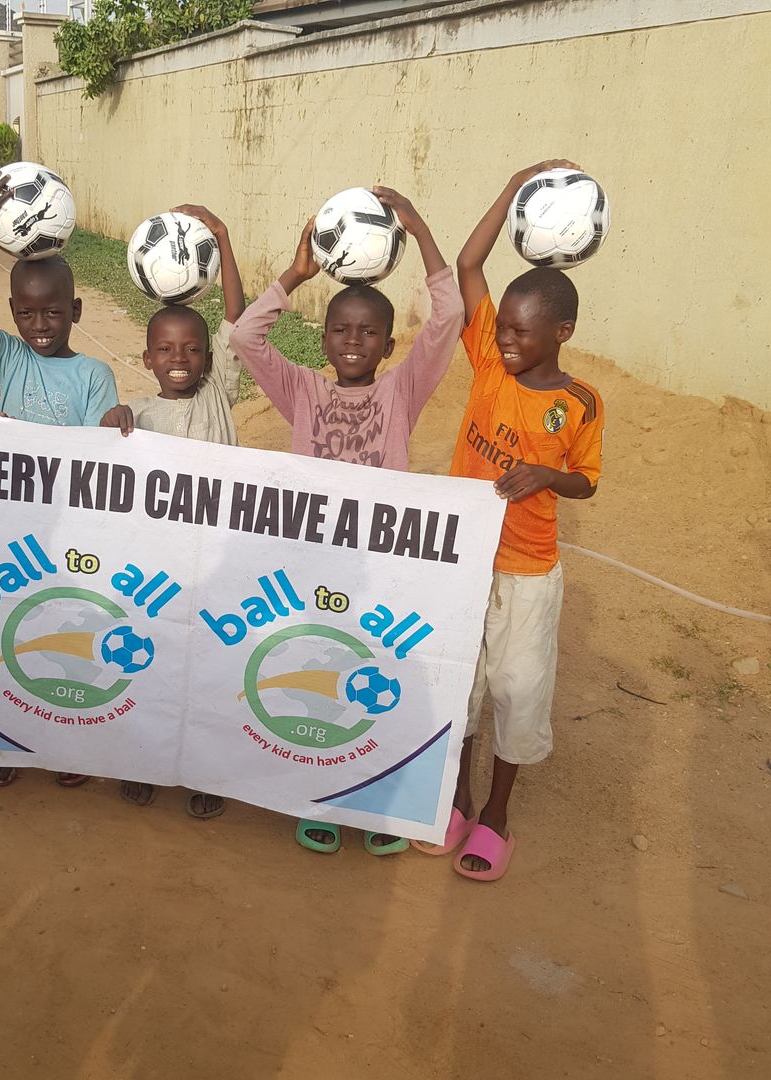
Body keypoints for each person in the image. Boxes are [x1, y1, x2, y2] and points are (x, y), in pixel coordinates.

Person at [229, 187, 464, 854]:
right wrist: (297, 274)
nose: (353, 341)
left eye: (368, 332)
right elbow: (245, 336)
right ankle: (318, 793)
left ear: (388, 345)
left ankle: (375, 803)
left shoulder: (402, 390)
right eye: (340, 330)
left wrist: (418, 228)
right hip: (314, 562)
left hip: (382, 567)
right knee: (317, 675)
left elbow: (449, 316)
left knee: (377, 678)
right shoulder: (301, 389)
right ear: (324, 337)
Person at [415, 160, 604, 881]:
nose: (506, 343)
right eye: (502, 331)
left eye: (522, 334)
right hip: (465, 562)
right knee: (460, 684)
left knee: (517, 691)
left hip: (527, 571)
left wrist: (547, 476)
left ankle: (497, 815)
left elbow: (586, 481)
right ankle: (458, 800)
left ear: (562, 331)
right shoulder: (490, 367)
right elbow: (469, 264)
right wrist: (516, 183)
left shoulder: (580, 403)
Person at [0, 170, 119, 789]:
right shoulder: (10, 355)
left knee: (65, 638)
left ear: (76, 311)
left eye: (52, 312)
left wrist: (117, 424)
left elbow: (102, 458)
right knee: (8, 634)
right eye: (25, 313)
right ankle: (6, 744)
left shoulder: (95, 375)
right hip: (11, 531)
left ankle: (68, 743)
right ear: (13, 314)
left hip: (70, 538)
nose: (39, 324)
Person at [101, 204, 245, 819]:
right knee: (150, 667)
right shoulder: (135, 416)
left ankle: (205, 770)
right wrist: (111, 425)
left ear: (209, 359)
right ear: (147, 358)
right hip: (156, 574)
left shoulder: (220, 393)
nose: (179, 357)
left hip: (216, 568)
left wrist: (223, 239)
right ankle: (142, 761)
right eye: (165, 348)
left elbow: (237, 322)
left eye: (192, 348)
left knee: (210, 672)